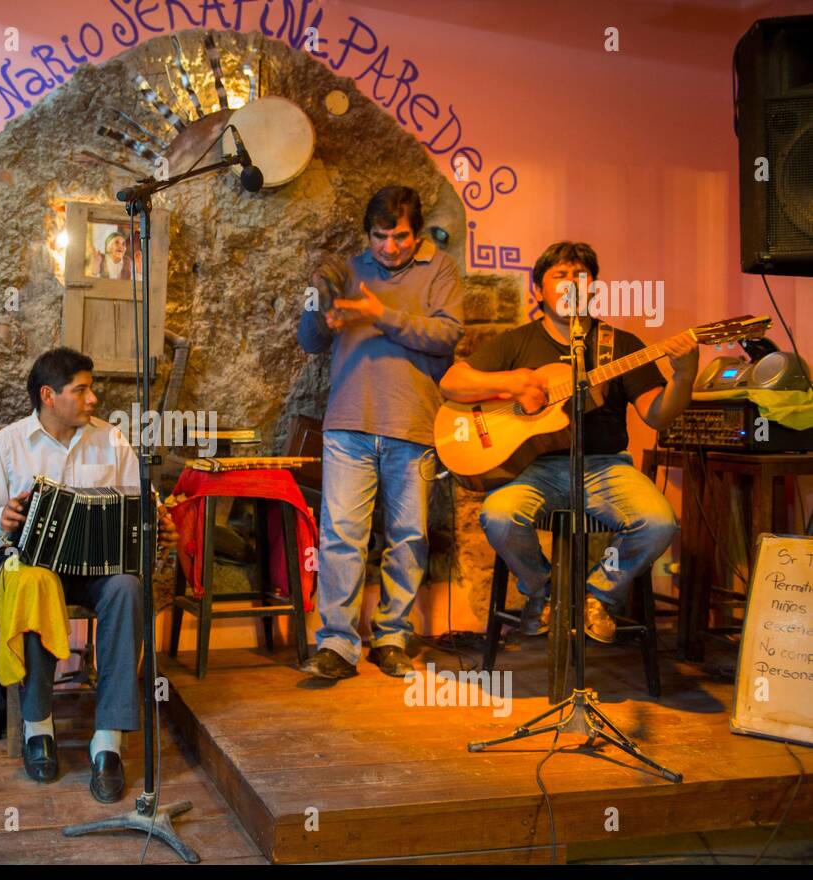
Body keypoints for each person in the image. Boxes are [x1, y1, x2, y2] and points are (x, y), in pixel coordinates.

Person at [0, 347, 176, 803]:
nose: (93, 398)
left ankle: (108, 740)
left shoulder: (112, 441)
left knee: (128, 588)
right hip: (32, 565)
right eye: (82, 389)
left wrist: (159, 527)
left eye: (92, 388)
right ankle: (38, 726)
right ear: (49, 396)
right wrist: (2, 520)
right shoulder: (7, 445)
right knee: (37, 584)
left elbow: (140, 508)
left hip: (96, 569)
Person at [438, 241, 694, 640]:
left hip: (605, 466)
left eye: (581, 275)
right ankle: (542, 591)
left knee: (659, 523)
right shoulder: (516, 342)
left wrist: (684, 377)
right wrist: (517, 383)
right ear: (538, 291)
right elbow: (452, 382)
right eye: (560, 275)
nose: (571, 282)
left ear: (593, 287)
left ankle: (599, 596)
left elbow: (657, 414)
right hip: (537, 470)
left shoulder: (620, 346)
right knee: (498, 515)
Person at [297, 185, 465, 681]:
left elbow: (445, 336)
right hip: (348, 422)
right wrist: (317, 304)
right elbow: (309, 340)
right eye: (380, 236)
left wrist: (378, 314)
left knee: (408, 537)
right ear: (366, 233)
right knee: (341, 537)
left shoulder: (440, 271)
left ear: (416, 233)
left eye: (401, 236)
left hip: (412, 423)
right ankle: (338, 645)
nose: (390, 247)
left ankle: (392, 637)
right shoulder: (346, 272)